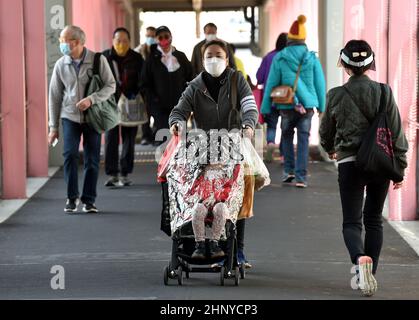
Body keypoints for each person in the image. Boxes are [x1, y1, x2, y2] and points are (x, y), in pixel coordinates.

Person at [319, 40, 408, 297]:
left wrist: (330, 148)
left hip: (349, 163)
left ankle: (359, 261)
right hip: (379, 163)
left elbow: (326, 132)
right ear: (370, 64)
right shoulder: (384, 92)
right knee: (374, 221)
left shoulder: (335, 94)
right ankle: (370, 276)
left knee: (352, 221)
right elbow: (396, 133)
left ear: (345, 65)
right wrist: (399, 168)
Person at [169, 40, 258, 263]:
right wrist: (177, 122)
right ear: (202, 59)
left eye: (219, 55)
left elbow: (249, 106)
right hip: (203, 151)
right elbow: (179, 110)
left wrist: (248, 125)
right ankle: (196, 244)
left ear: (227, 59)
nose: (214, 59)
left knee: (238, 199)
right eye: (209, 55)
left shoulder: (238, 81)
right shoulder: (194, 87)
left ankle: (236, 250)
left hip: (235, 146)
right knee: (199, 196)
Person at [48, 25, 116, 213]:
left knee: (92, 158)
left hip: (92, 117)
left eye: (64, 40)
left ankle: (89, 200)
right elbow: (54, 95)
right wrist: (53, 126)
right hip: (69, 117)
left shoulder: (97, 60)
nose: (61, 43)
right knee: (69, 155)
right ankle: (71, 197)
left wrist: (91, 99)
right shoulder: (61, 64)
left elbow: (110, 85)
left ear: (76, 42)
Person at [261, 15, 326, 188]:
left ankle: (288, 170)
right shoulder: (311, 58)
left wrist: (266, 106)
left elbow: (271, 83)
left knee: (287, 136)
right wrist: (322, 105)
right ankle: (301, 177)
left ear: (289, 39)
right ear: (304, 39)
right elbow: (320, 83)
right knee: (303, 139)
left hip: (286, 104)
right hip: (307, 105)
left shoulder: (280, 57)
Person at [103, 28, 144, 187]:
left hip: (130, 103)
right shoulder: (105, 57)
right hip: (110, 103)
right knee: (110, 138)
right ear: (112, 41)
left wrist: (136, 94)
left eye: (125, 41)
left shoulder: (136, 58)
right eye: (118, 40)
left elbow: (142, 79)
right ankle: (112, 174)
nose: (121, 44)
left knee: (129, 138)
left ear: (130, 42)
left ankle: (125, 172)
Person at [140, 26, 193, 146]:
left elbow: (191, 78)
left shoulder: (181, 57)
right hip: (159, 108)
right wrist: (153, 100)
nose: (164, 40)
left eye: (166, 37)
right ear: (156, 40)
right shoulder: (151, 59)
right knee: (165, 137)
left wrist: (187, 97)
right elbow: (145, 83)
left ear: (171, 38)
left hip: (180, 106)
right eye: (160, 37)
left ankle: (180, 164)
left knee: (180, 139)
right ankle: (165, 164)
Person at [256, 33, 288, 163]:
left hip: (271, 96)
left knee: (272, 125)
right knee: (285, 126)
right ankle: (283, 154)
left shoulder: (269, 57)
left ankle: (270, 143)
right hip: (287, 96)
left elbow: (259, 77)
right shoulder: (289, 57)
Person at [135, 26, 157, 146]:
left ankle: (155, 135)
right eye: (148, 36)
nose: (150, 38)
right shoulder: (139, 50)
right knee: (145, 113)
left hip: (157, 87)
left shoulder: (159, 50)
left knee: (156, 112)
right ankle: (145, 136)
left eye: (152, 36)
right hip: (143, 88)